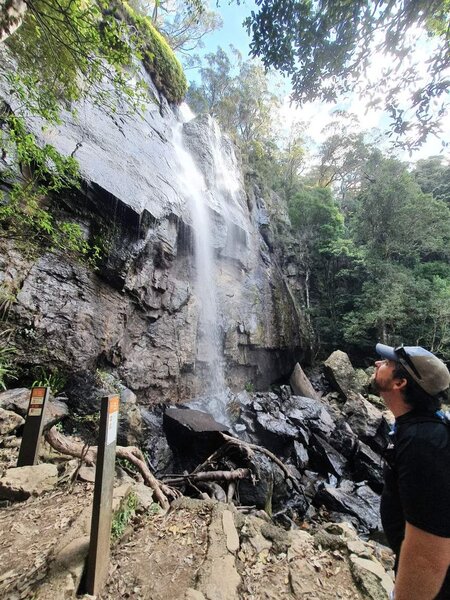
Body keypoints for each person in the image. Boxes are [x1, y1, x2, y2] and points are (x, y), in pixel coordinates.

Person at [374, 343, 450, 600]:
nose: (377, 364)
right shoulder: (417, 427)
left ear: (400, 383)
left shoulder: (423, 443)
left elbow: (428, 556)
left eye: (386, 364)